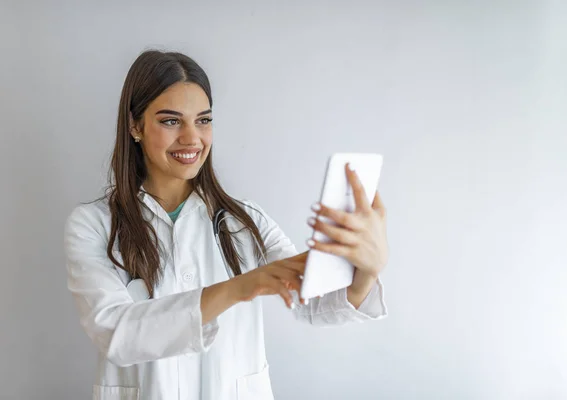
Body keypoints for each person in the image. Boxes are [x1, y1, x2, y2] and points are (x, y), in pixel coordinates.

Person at [64, 49, 389, 400]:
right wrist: (238, 287)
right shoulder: (94, 225)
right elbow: (115, 333)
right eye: (171, 121)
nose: (192, 138)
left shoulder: (245, 221)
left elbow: (313, 303)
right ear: (135, 126)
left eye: (203, 120)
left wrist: (365, 271)